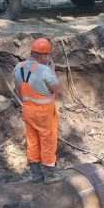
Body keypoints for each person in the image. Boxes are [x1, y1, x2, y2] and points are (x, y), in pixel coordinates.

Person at [13, 38, 65, 184]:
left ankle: (35, 174)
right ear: (43, 55)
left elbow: (18, 90)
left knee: (32, 140)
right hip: (44, 113)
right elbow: (58, 89)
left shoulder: (18, 67)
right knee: (48, 141)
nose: (47, 58)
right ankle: (50, 175)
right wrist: (53, 71)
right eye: (47, 55)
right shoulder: (45, 70)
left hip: (28, 110)